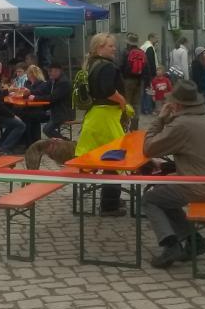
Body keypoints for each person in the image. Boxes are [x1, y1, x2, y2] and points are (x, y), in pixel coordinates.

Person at [142, 79, 205, 268]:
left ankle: (171, 246)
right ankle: (194, 241)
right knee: (164, 192)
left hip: (199, 187)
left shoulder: (181, 125)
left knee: (150, 199)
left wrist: (161, 119)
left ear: (177, 104)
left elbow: (149, 148)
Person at [76, 33, 129, 216]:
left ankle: (111, 199)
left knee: (107, 158)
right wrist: (122, 100)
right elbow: (108, 90)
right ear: (100, 48)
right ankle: (109, 205)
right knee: (114, 158)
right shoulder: (106, 66)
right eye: (110, 46)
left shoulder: (92, 63)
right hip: (105, 117)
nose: (114, 49)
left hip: (97, 115)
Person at [120, 33, 146, 131]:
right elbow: (146, 68)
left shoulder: (125, 52)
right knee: (136, 105)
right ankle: (134, 127)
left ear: (128, 42)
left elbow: (120, 66)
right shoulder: (142, 52)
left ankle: (123, 126)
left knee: (126, 103)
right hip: (139, 82)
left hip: (127, 81)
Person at [41, 65, 73, 139]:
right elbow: (42, 89)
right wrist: (32, 93)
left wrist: (36, 98)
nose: (49, 74)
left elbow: (53, 97)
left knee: (47, 129)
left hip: (63, 113)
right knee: (34, 116)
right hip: (55, 111)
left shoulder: (64, 83)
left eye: (50, 71)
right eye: (48, 71)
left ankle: (66, 142)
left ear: (58, 71)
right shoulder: (54, 80)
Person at [140, 33, 160, 114]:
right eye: (156, 38)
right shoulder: (149, 47)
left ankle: (143, 108)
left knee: (144, 91)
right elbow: (151, 62)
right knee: (149, 91)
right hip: (149, 73)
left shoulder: (143, 46)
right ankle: (148, 109)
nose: (157, 40)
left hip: (143, 72)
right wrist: (154, 74)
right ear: (151, 38)